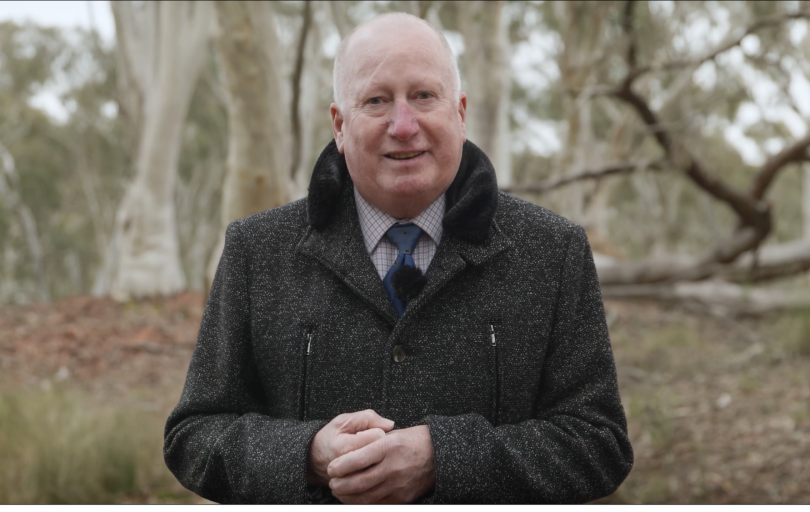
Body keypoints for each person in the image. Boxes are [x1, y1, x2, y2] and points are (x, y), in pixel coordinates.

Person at [164, 12, 633, 504]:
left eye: (424, 96)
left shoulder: (553, 251)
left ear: (461, 112)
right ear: (340, 126)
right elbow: (194, 437)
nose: (404, 125)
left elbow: (599, 446)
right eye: (376, 101)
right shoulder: (257, 251)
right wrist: (307, 454)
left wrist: (445, 457)